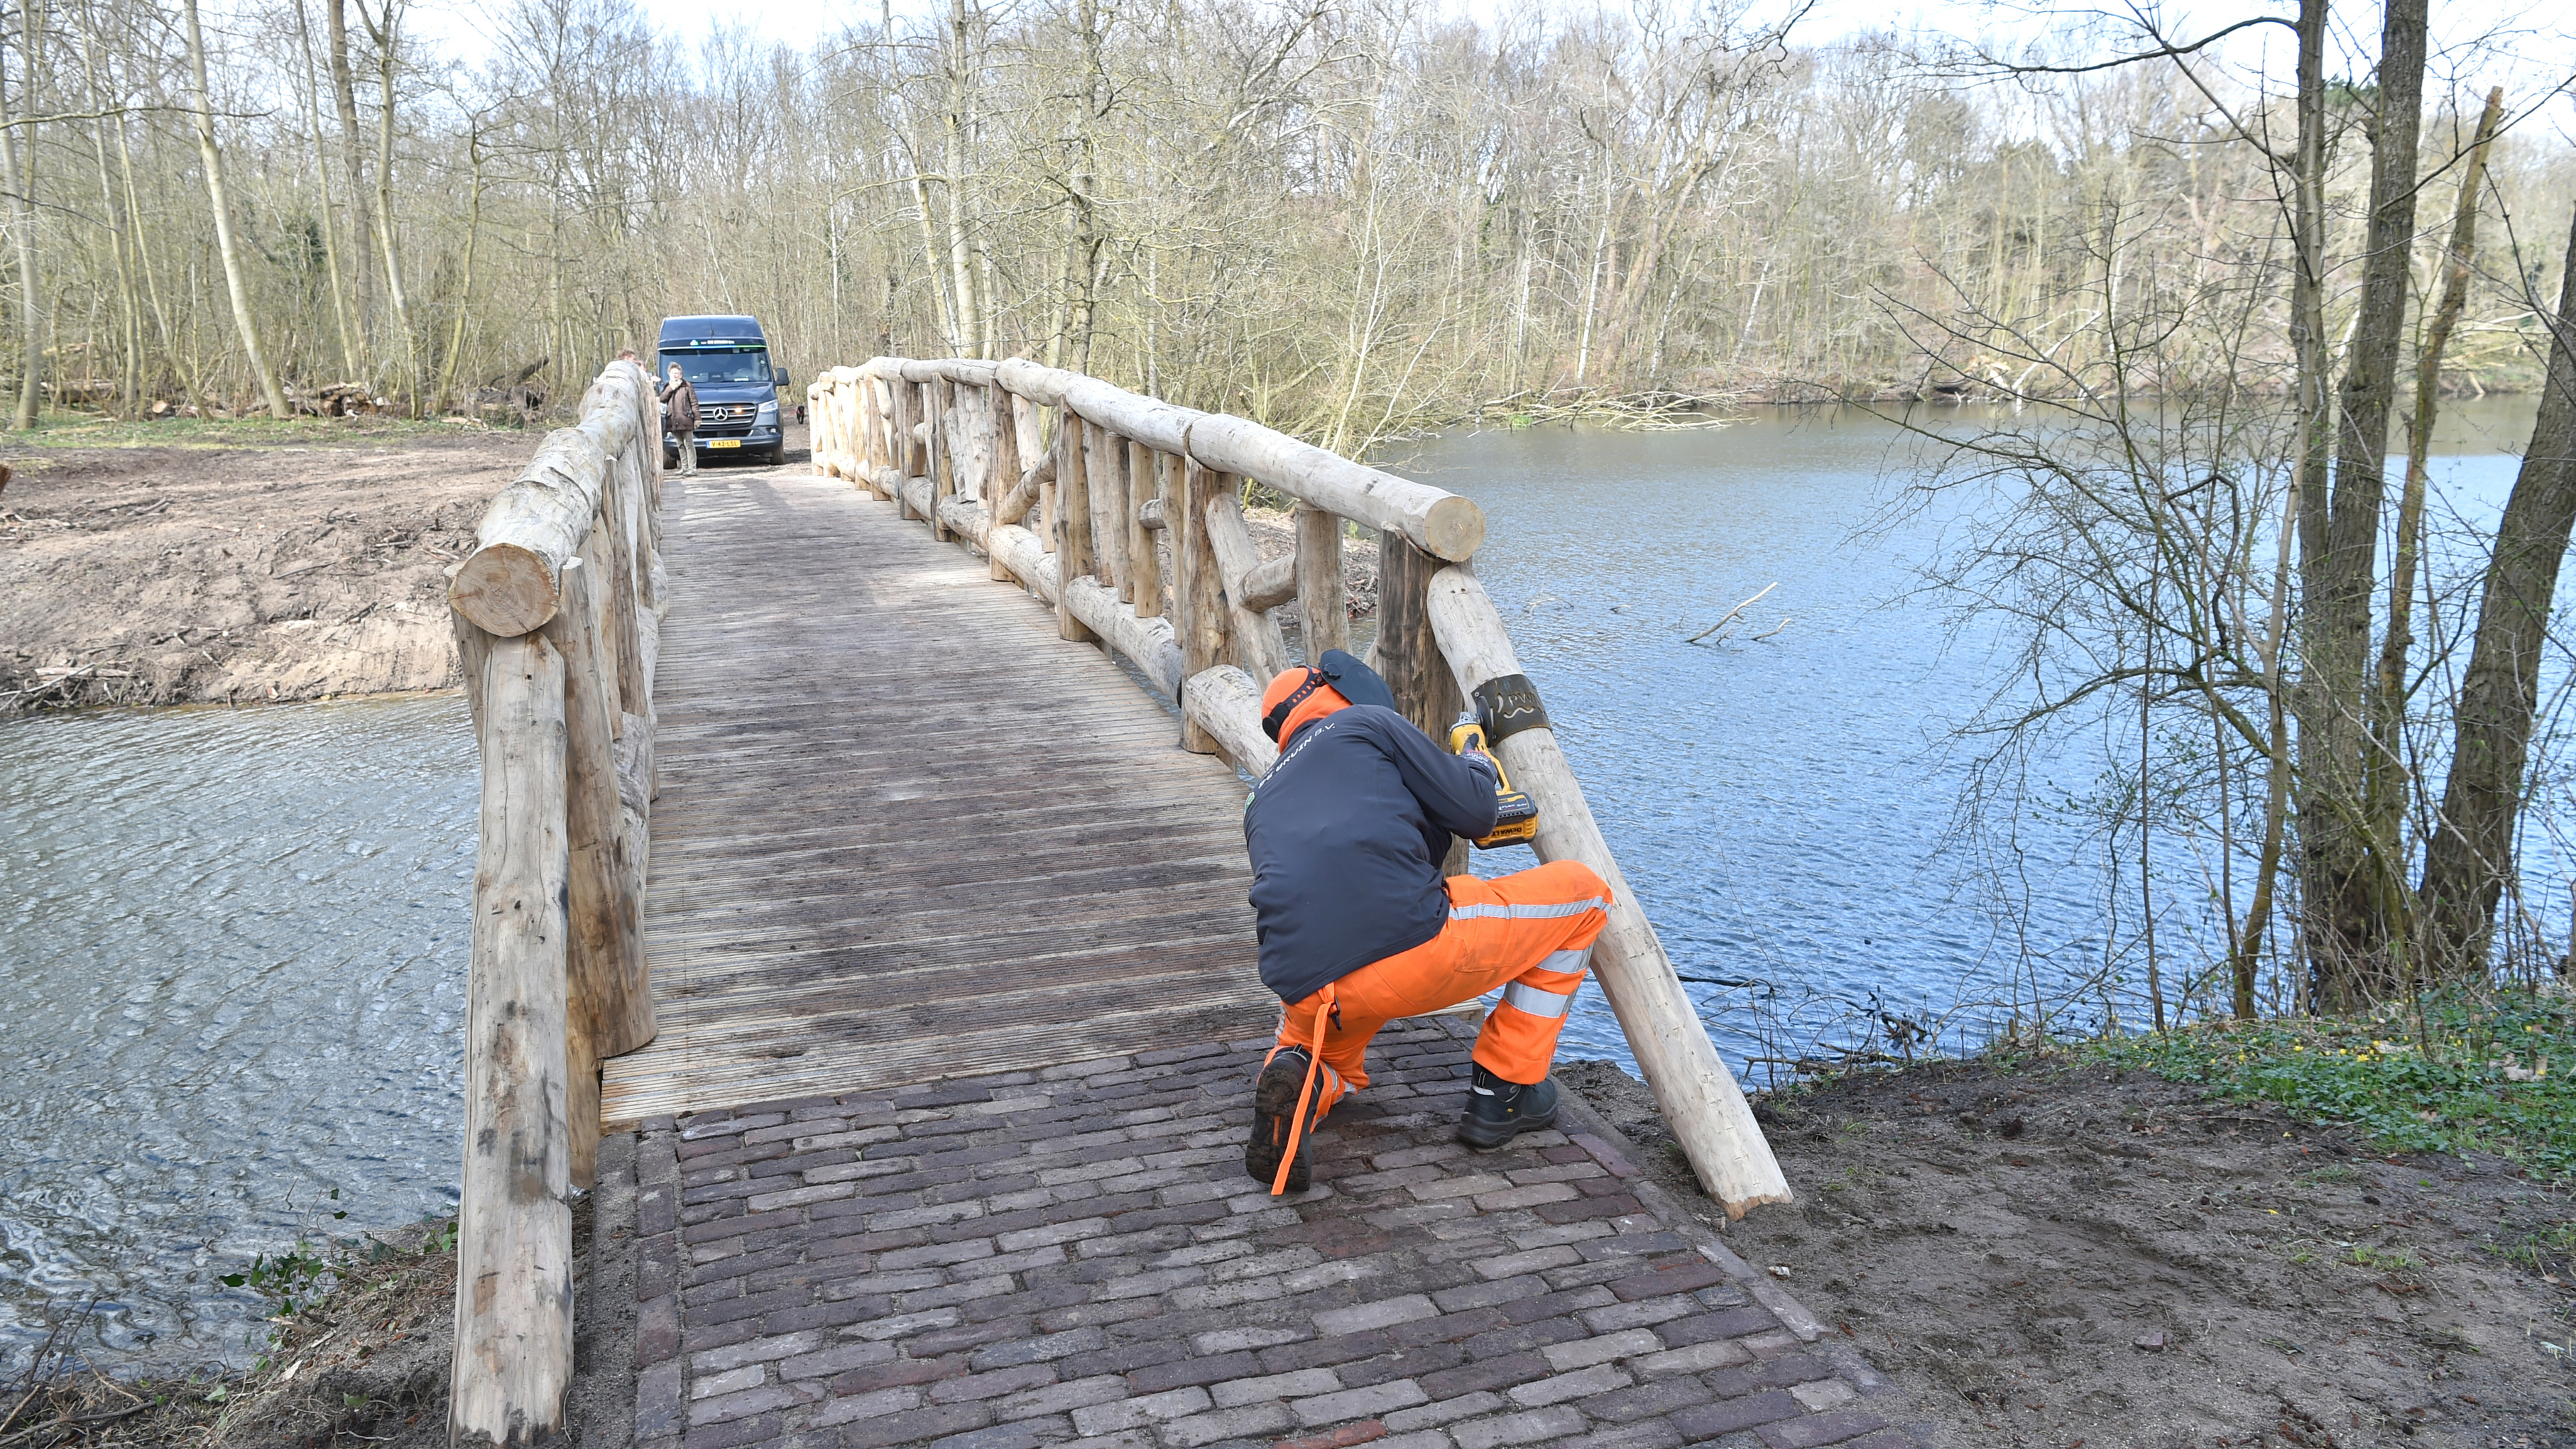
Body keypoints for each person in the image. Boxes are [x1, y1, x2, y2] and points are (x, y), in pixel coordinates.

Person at [1241, 651, 1610, 1194]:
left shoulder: (1261, 796)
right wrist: (1475, 761)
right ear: (1334, 690)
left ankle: (1302, 1078)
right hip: (1409, 952)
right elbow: (1477, 812)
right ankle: (1504, 1088)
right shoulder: (1366, 723)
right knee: (1585, 897)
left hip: (1310, 993)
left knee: (1331, 1062)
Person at [660, 362, 699, 476]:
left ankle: (692, 469)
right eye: (672, 373)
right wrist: (671, 388)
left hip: (686, 419)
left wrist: (697, 418)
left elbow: (694, 402)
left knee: (689, 444)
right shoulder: (667, 386)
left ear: (681, 374)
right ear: (669, 374)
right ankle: (684, 467)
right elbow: (662, 399)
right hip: (673, 420)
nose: (675, 375)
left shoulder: (687, 386)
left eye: (677, 373)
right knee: (680, 445)